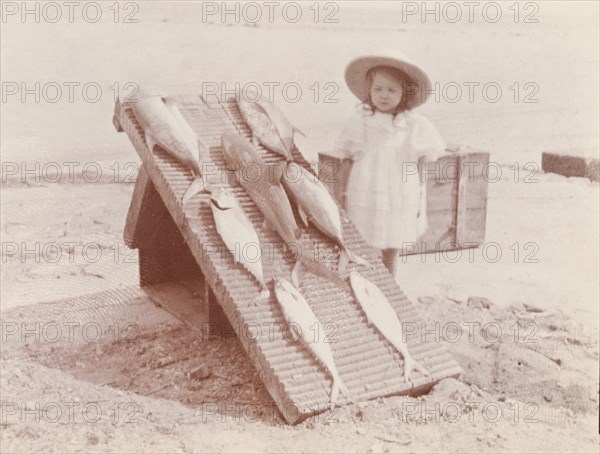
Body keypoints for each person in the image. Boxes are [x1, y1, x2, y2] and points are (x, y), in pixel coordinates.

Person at [332, 49, 446, 276]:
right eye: (378, 89)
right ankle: (367, 281)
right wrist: (342, 192)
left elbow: (425, 157)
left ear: (405, 93)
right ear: (369, 91)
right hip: (366, 186)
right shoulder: (362, 120)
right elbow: (346, 157)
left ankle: (391, 281)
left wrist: (420, 190)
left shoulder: (413, 123)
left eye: (392, 90)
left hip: (400, 188)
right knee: (364, 235)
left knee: (393, 239)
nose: (384, 95)